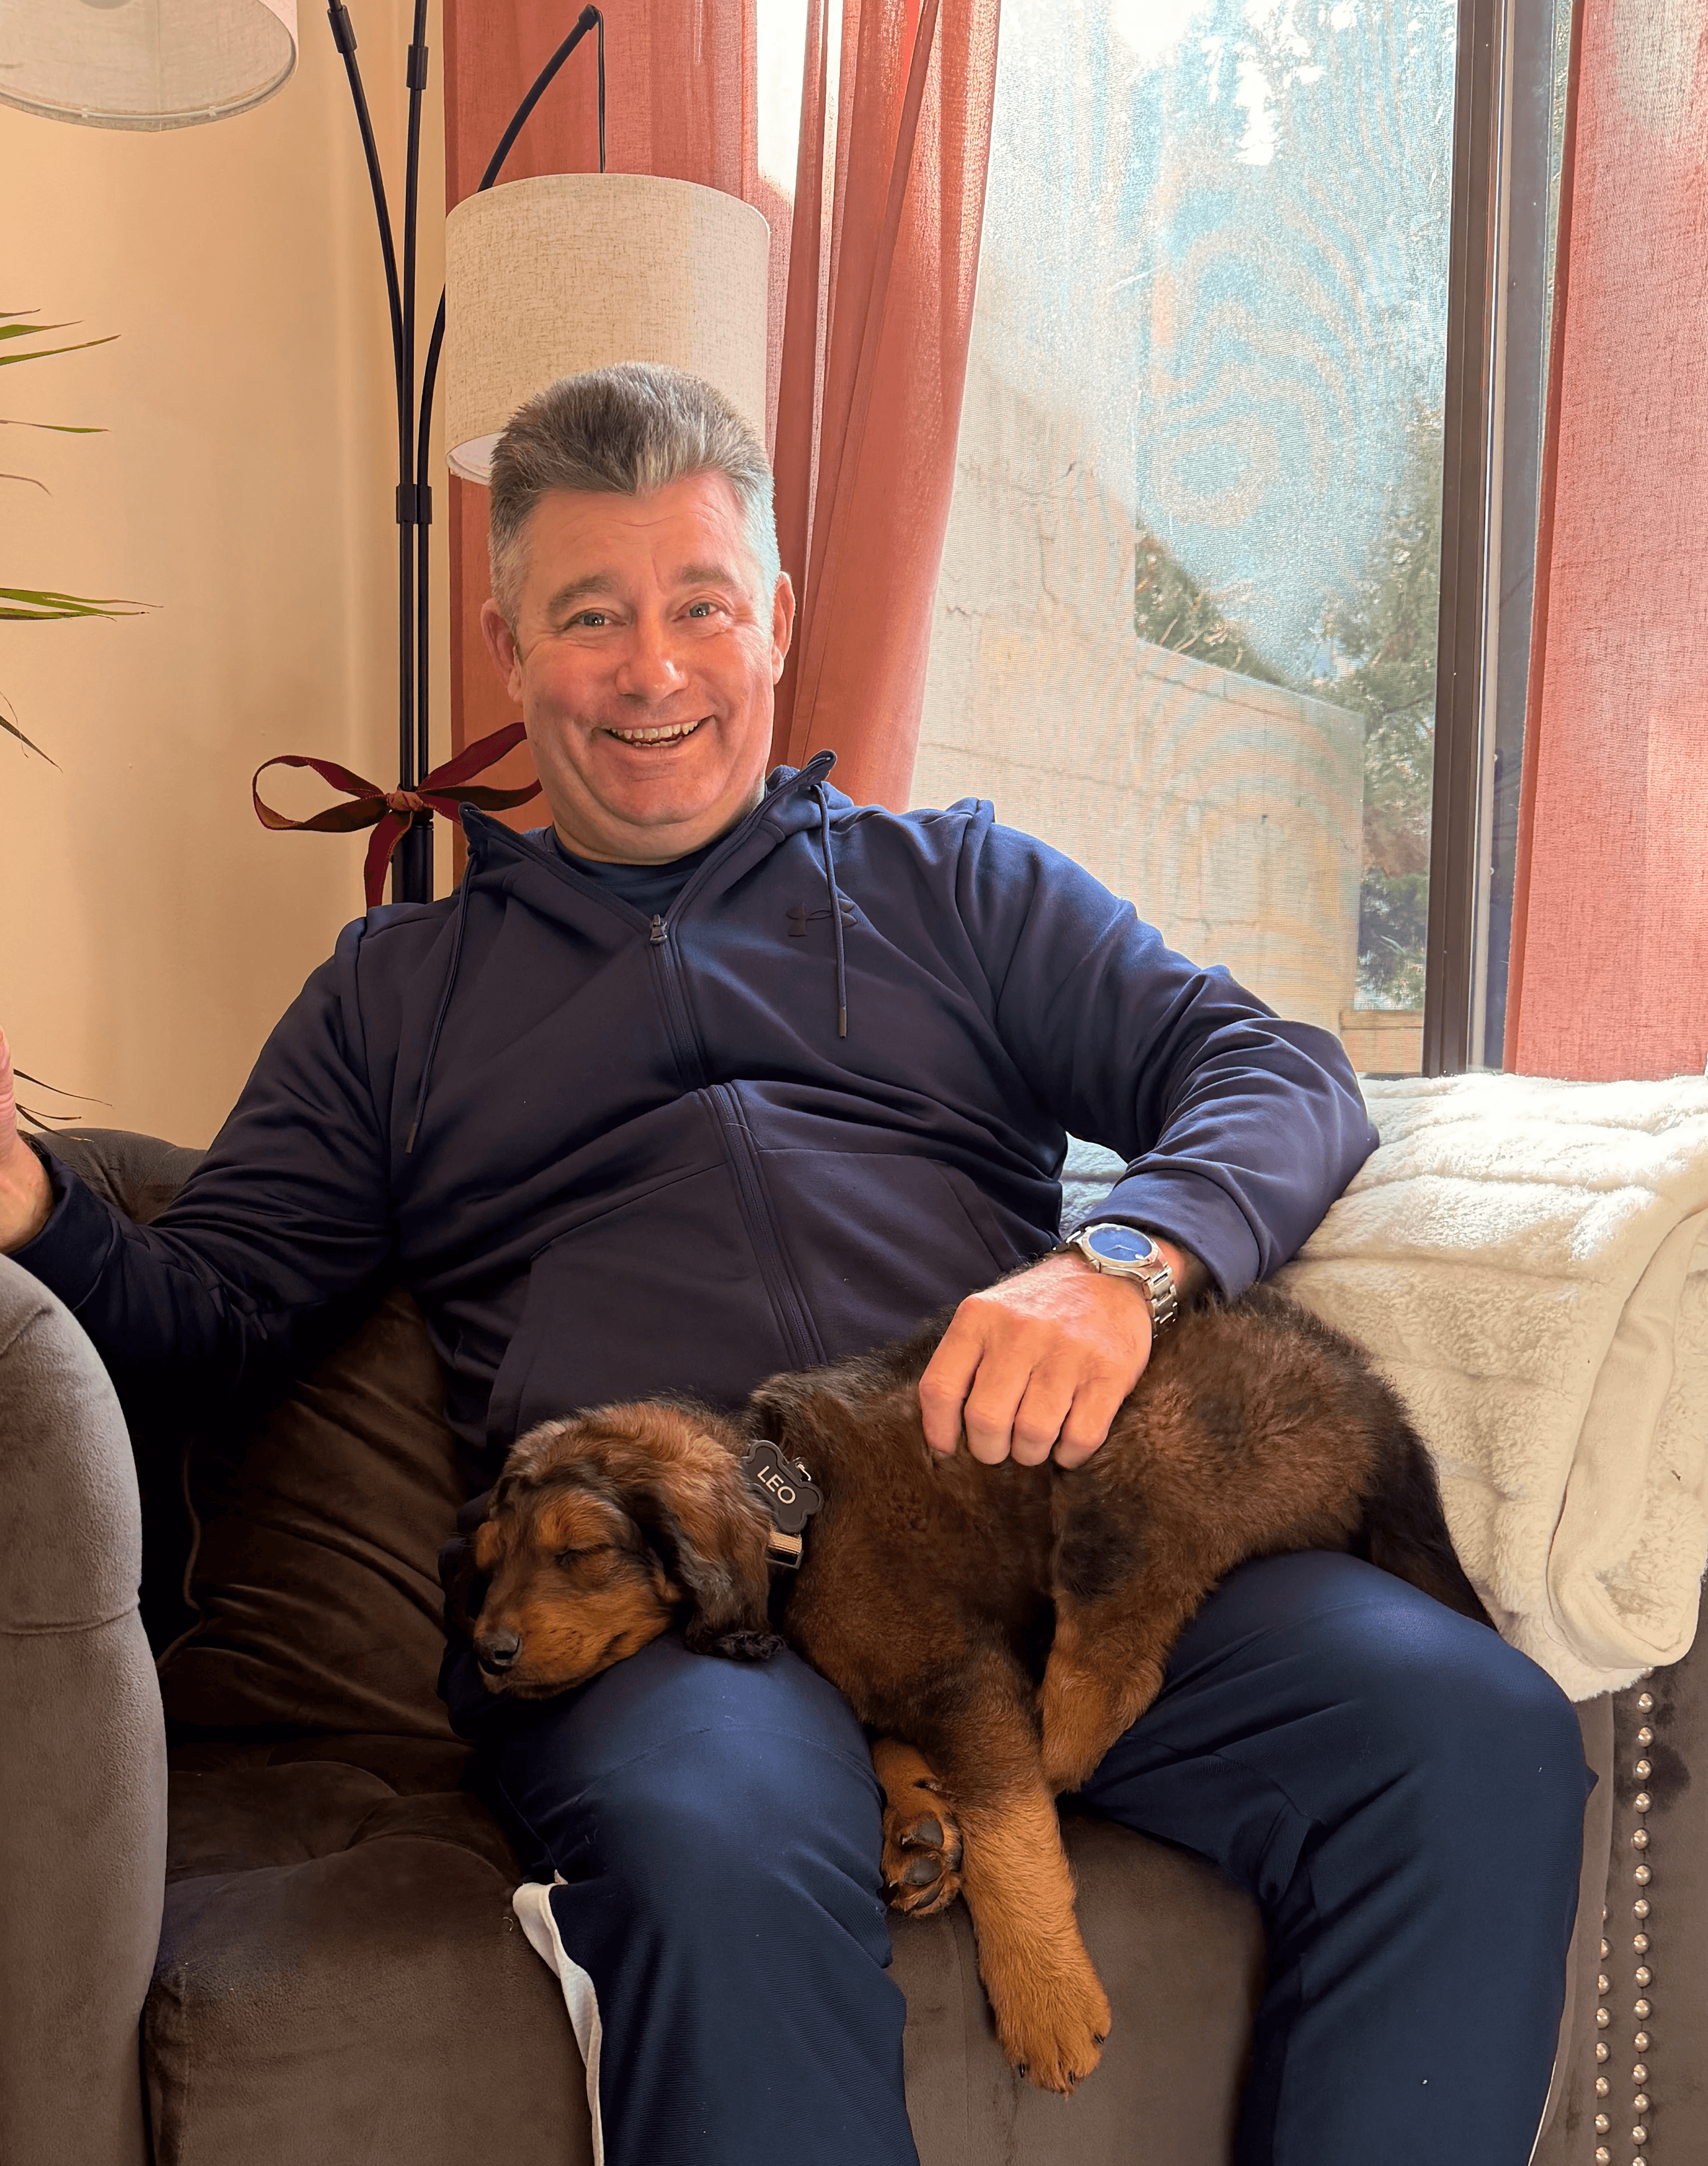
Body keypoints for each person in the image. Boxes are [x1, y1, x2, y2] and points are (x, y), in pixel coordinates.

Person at [0, 363, 1587, 2166]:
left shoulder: (957, 889)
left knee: (1467, 1733)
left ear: (775, 620)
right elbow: (210, 1320)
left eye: (698, 606)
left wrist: (1121, 1264)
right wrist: (32, 1202)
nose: (652, 671)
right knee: (718, 1844)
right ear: (507, 649)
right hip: (682, 1605)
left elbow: (1272, 1070)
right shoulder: (395, 995)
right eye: (589, 617)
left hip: (1026, 1533)